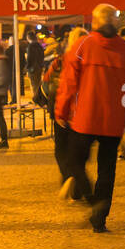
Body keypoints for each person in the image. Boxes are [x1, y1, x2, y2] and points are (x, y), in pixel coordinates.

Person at [55, 4, 125, 232]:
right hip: (113, 121)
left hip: (85, 118)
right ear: (116, 23)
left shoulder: (82, 46)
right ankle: (99, 220)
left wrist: (61, 111)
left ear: (93, 22)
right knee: (107, 171)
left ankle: (92, 199)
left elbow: (68, 84)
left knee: (74, 162)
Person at [42, 27, 86, 199]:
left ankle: (68, 178)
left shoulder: (61, 61)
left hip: (62, 111)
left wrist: (56, 108)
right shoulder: (89, 63)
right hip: (82, 112)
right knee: (78, 151)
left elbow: (46, 83)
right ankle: (76, 186)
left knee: (61, 149)